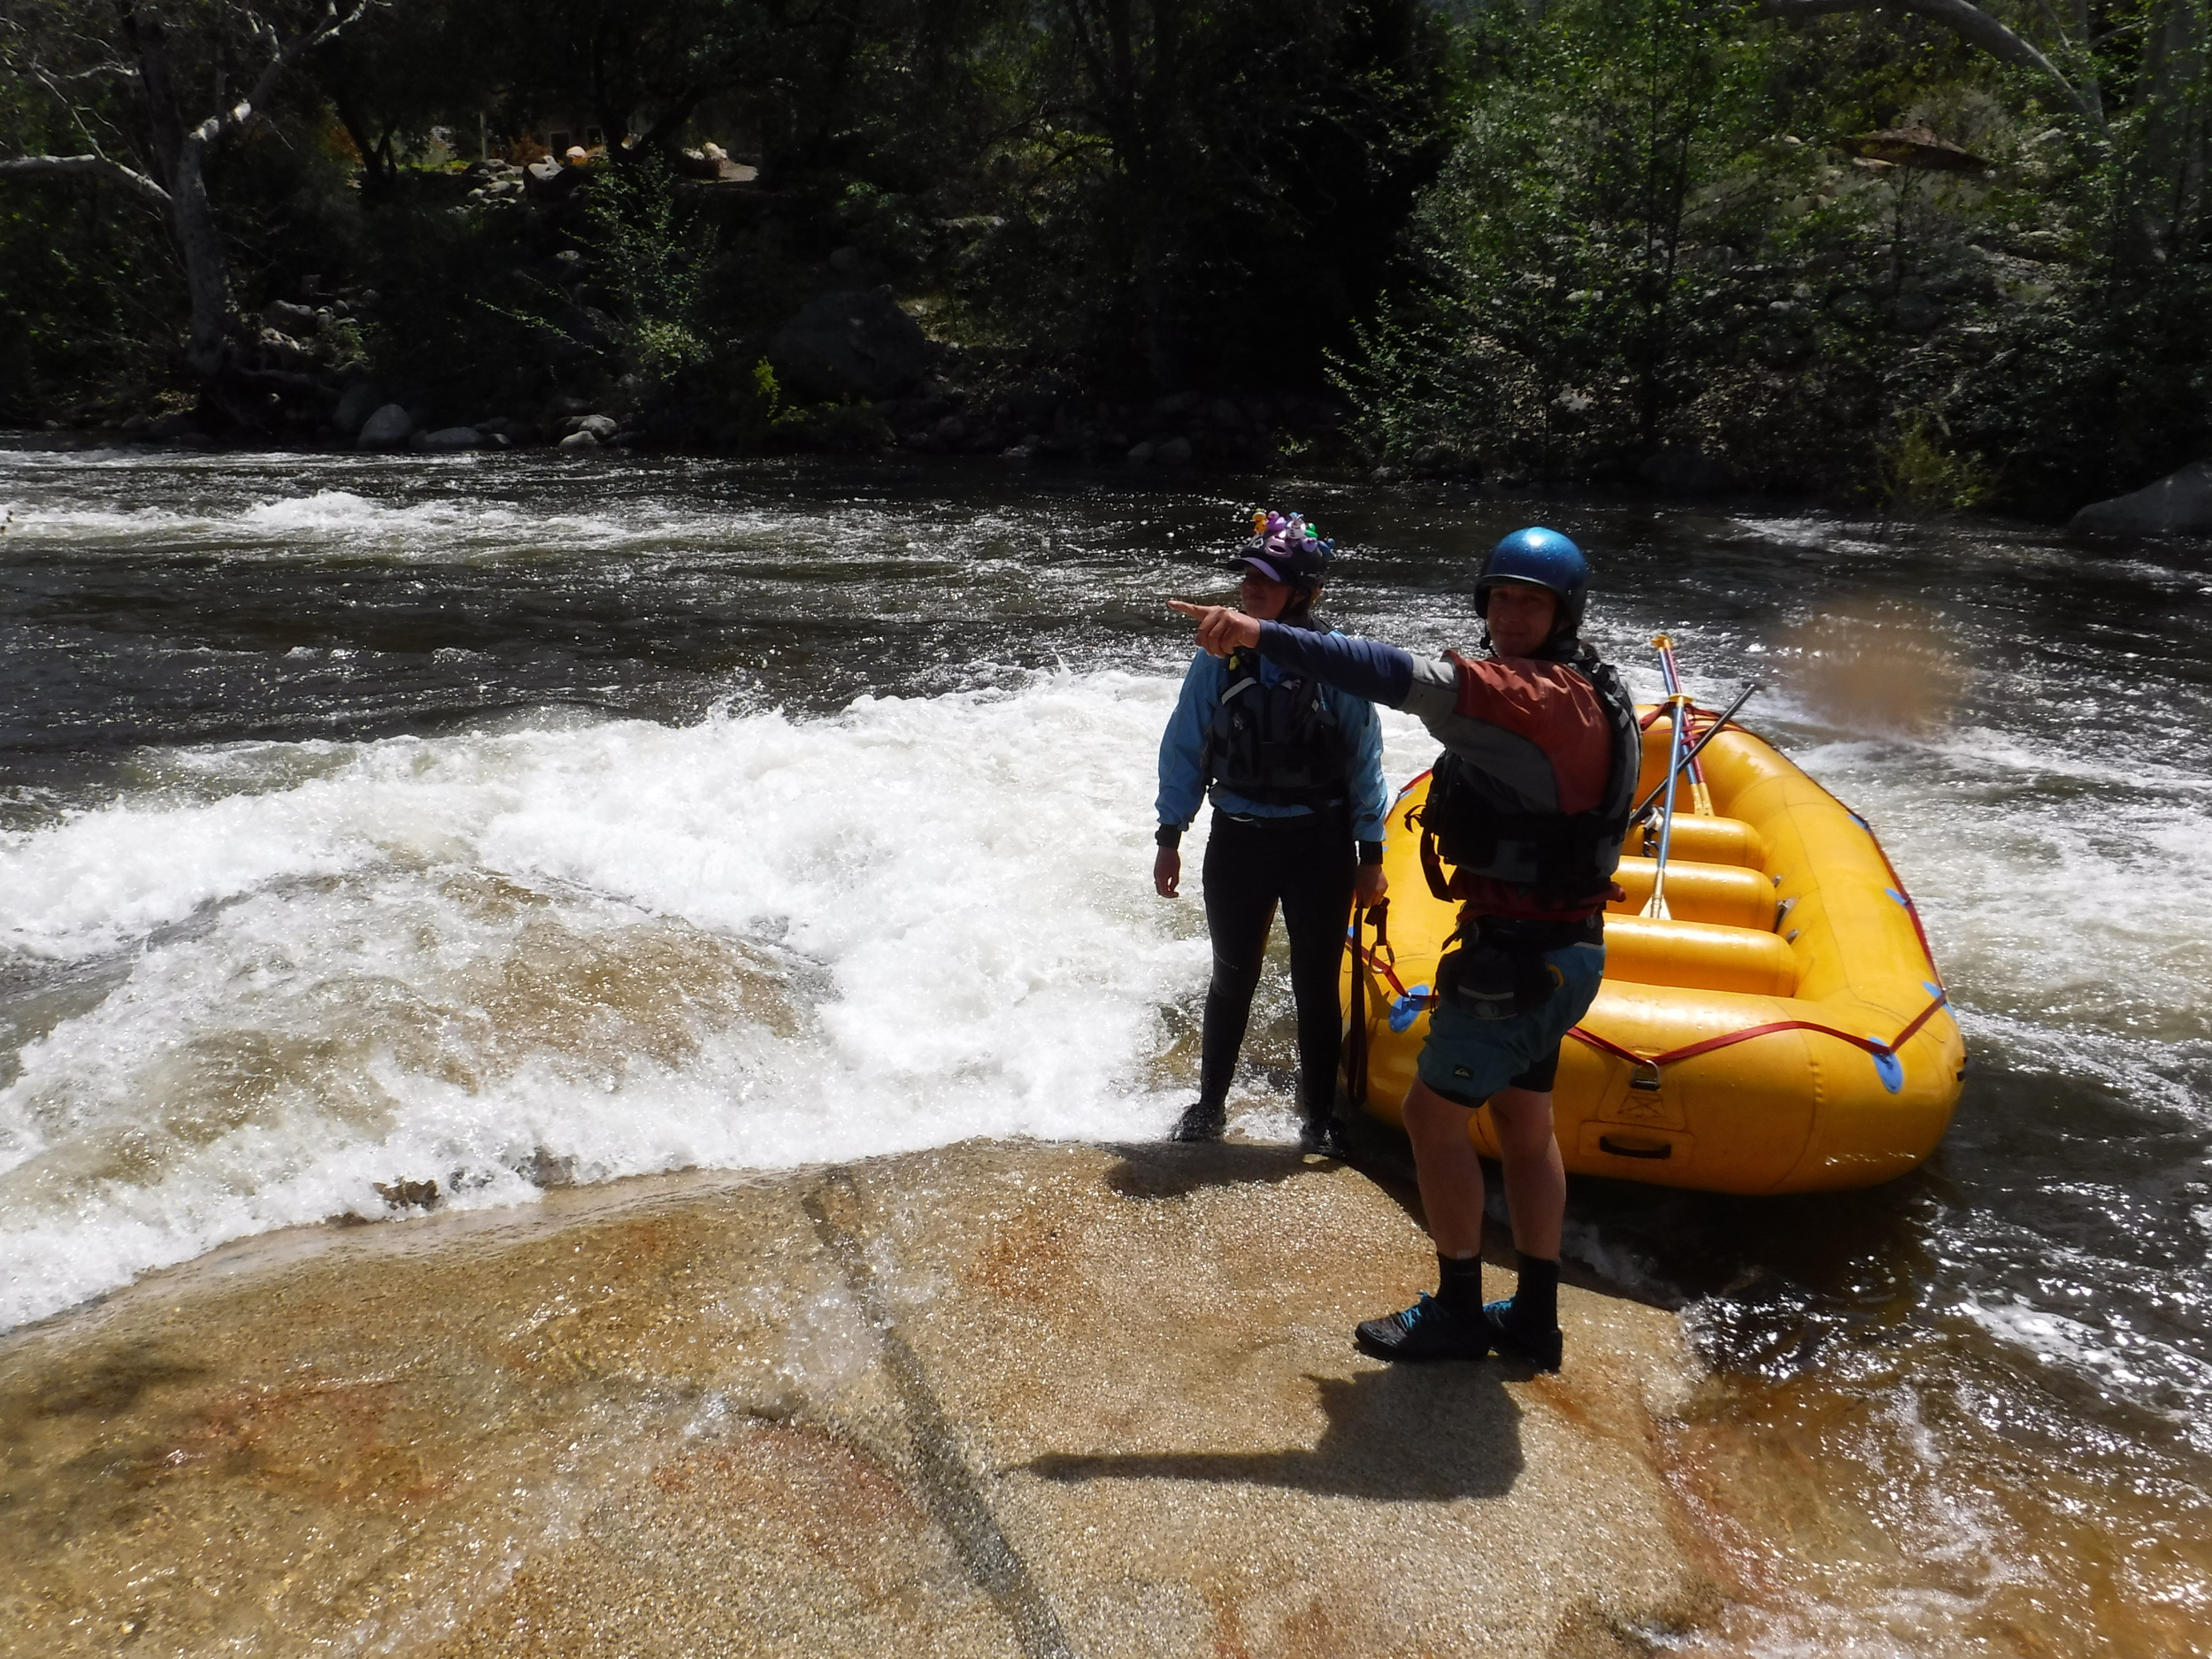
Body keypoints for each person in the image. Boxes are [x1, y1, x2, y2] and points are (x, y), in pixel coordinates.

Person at [1169, 527, 1639, 1371]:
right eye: (1499, 596)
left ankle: (1459, 1307)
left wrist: (1255, 632)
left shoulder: (1533, 699)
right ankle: (1534, 1317)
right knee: (1528, 1126)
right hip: (1561, 947)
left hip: (1519, 959)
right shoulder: (1590, 683)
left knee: (1431, 1116)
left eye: (1530, 600)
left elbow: (1394, 677)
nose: (1509, 613)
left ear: (1563, 611)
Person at [1155, 511, 1390, 1158]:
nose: (1249, 588)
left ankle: (1318, 1117)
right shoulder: (1219, 658)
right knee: (1232, 975)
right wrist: (1169, 832)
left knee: (1317, 980)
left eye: (1266, 578)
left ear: (1302, 591)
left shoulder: (1336, 663)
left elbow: (1364, 760)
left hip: (1320, 843)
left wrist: (1371, 854)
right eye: (1247, 577)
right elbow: (1184, 744)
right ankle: (1209, 1106)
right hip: (1240, 840)